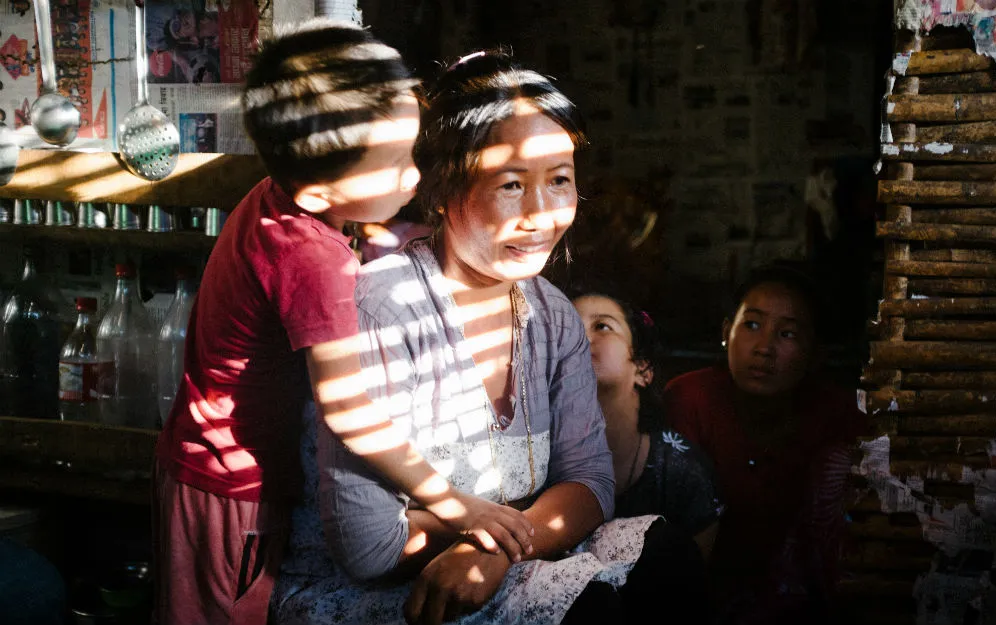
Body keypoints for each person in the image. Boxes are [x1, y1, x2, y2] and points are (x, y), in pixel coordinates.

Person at [273, 50, 704, 625]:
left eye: (559, 182)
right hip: (376, 593)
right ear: (445, 186)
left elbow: (591, 484)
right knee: (593, 609)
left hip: (496, 560)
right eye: (510, 184)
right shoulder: (383, 306)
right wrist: (501, 532)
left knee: (666, 559)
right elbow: (370, 546)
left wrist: (491, 547)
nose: (540, 214)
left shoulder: (550, 315)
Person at [154, 23, 530, 625]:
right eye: (398, 164)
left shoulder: (278, 197)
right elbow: (347, 411)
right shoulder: (312, 260)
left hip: (209, 462)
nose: (414, 176)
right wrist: (455, 503)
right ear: (319, 192)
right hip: (234, 488)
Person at [663, 263, 866, 625]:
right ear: (727, 332)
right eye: (752, 325)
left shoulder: (838, 415)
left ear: (815, 353)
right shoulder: (689, 398)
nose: (764, 348)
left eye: (787, 334)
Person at [572, 291, 722, 561]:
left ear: (642, 369)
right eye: (569, 326)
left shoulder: (683, 471)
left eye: (602, 326)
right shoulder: (538, 457)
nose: (577, 337)